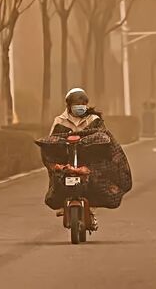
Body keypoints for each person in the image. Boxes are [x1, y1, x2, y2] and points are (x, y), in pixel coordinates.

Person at [39, 88, 133, 231]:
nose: (80, 106)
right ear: (69, 105)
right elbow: (52, 140)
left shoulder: (94, 120)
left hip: (90, 157)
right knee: (59, 177)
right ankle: (63, 203)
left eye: (82, 103)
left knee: (95, 180)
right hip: (67, 157)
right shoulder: (60, 121)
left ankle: (92, 210)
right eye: (76, 103)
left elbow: (104, 137)